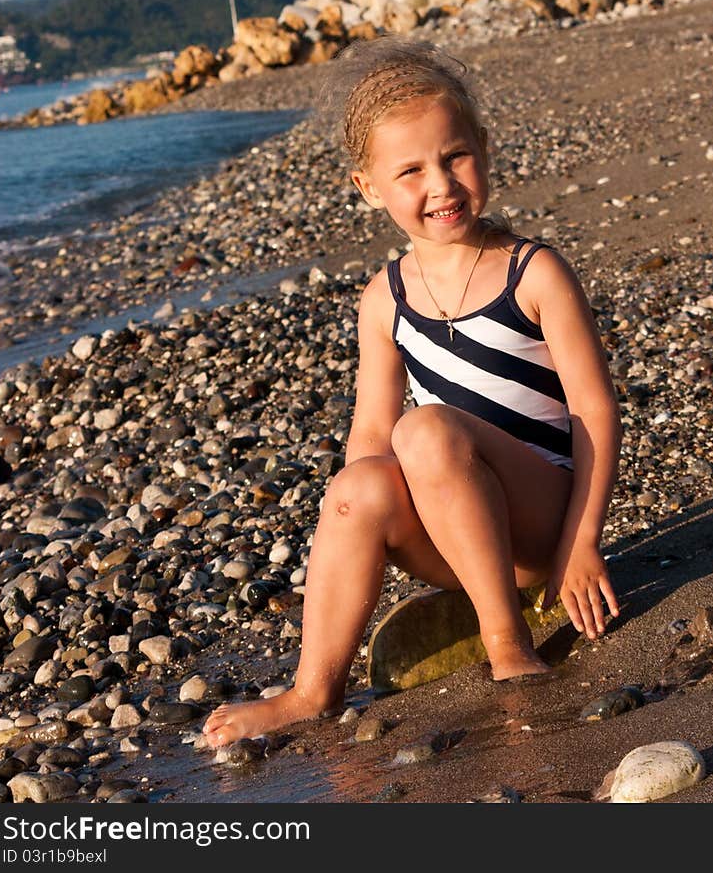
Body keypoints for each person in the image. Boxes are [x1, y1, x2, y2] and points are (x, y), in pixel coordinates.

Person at [203, 37, 622, 748]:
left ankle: (506, 642)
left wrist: (582, 541)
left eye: (455, 156)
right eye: (411, 171)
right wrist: (353, 505)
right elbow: (369, 435)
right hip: (462, 537)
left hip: (545, 518)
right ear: (368, 187)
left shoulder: (533, 272)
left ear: (483, 149)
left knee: (424, 430)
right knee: (360, 480)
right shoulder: (383, 299)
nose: (442, 185)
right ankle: (312, 689)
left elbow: (594, 411)